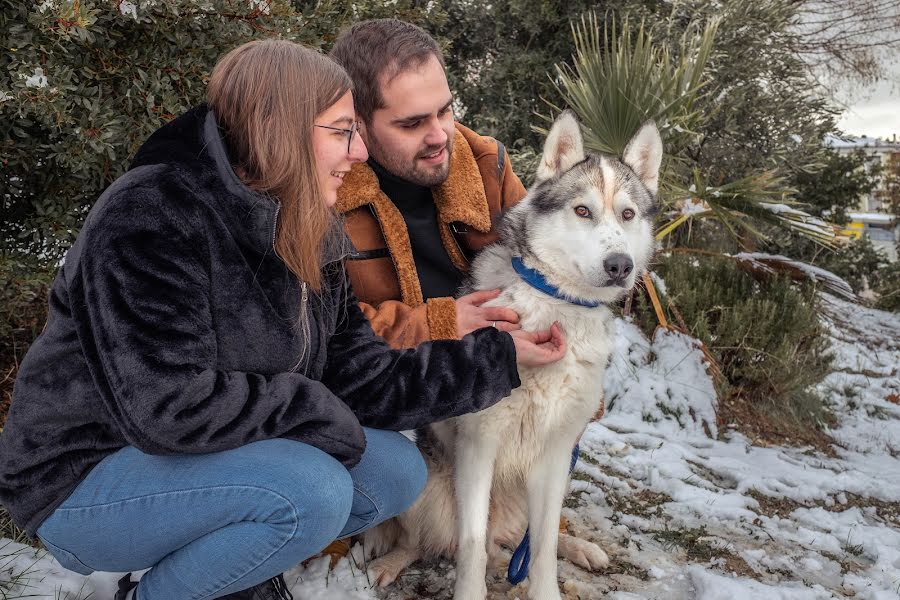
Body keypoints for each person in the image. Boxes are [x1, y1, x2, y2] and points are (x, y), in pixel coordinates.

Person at [0, 40, 566, 600]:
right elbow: (166, 407)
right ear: (283, 130)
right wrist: (316, 411)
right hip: (87, 477)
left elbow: (360, 376)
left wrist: (497, 358)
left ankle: (229, 569)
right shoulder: (151, 215)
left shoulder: (306, 221)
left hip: (197, 458)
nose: (360, 154)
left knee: (396, 470)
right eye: (342, 131)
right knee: (311, 491)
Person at [329, 19, 528, 349]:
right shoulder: (323, 193)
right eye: (412, 123)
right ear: (357, 123)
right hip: (395, 390)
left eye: (445, 111)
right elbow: (326, 329)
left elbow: (552, 270)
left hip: (501, 375)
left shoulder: (486, 163)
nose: (440, 136)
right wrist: (439, 324)